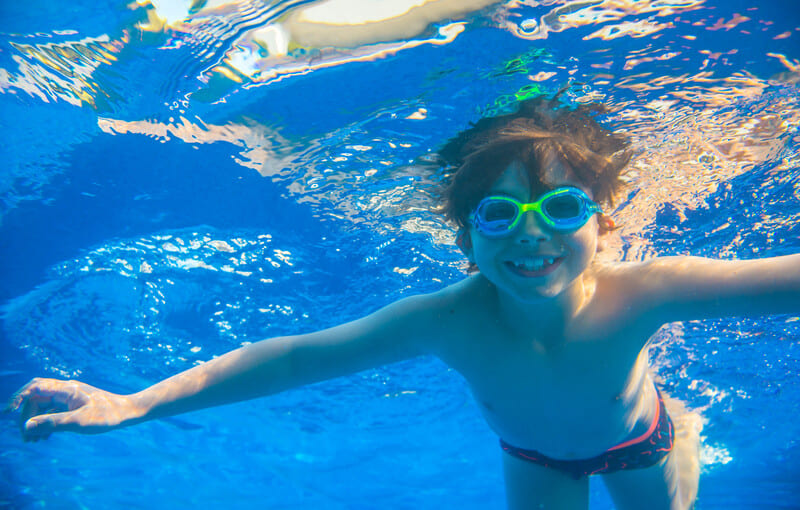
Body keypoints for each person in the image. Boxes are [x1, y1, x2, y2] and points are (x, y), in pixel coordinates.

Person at [7, 96, 799, 510]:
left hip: (640, 441)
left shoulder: (647, 291)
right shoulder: (447, 320)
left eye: (561, 208)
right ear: (466, 241)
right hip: (533, 460)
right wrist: (132, 405)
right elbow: (291, 358)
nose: (532, 235)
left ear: (605, 223)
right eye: (497, 214)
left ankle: (687, 424)